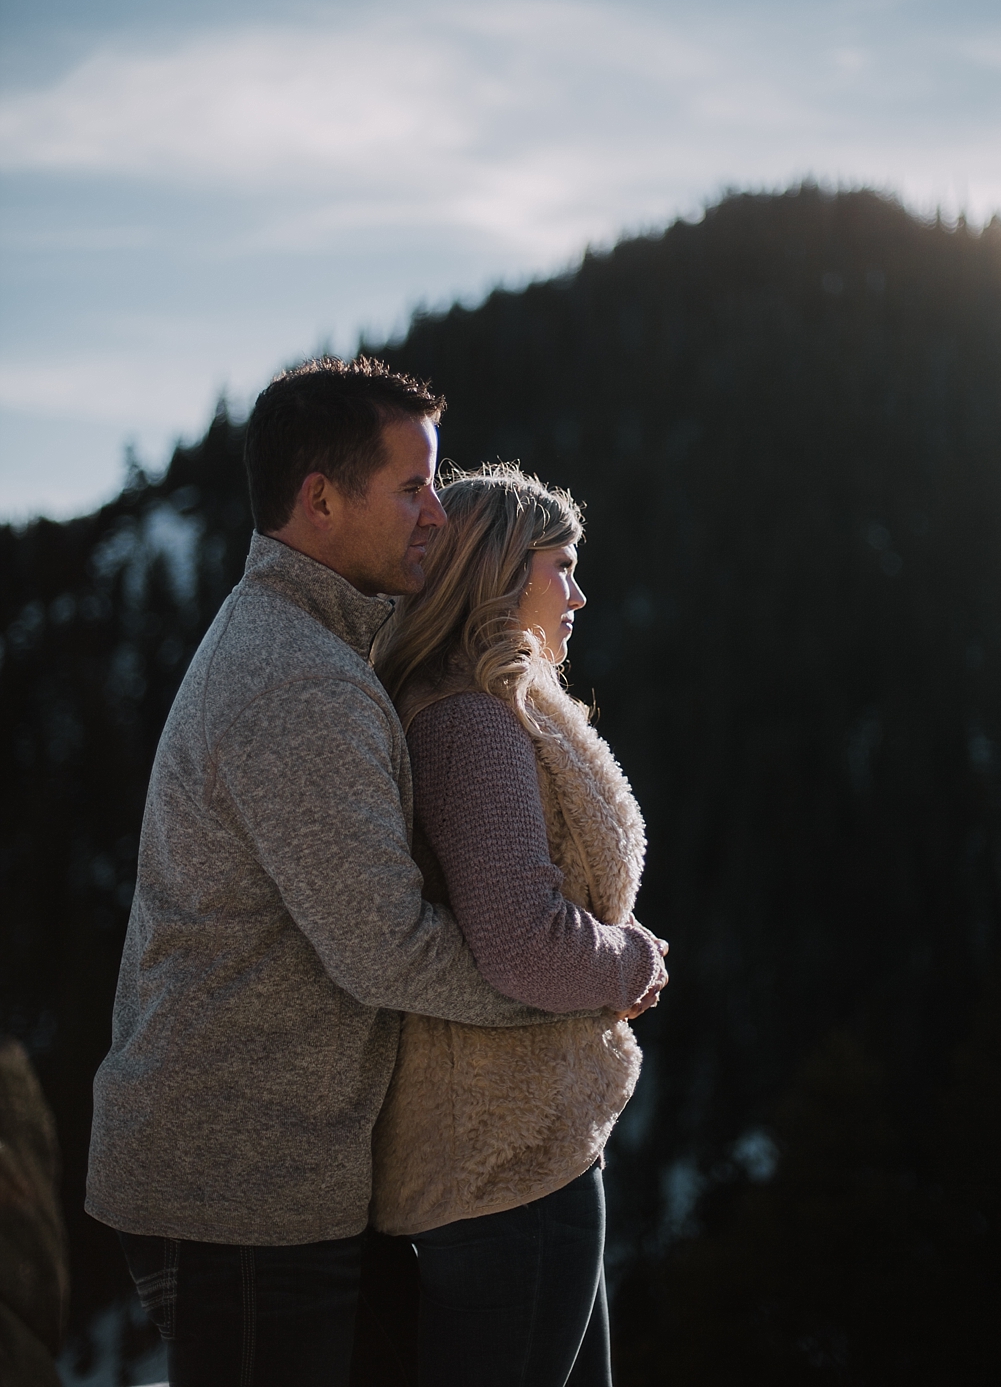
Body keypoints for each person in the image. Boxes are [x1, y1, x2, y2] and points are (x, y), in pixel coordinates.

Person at [85, 357, 663, 1387]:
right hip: (244, 1185)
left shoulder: (316, 647)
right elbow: (387, 949)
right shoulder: (296, 682)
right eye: (411, 488)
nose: (437, 517)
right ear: (319, 500)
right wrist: (582, 985)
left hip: (278, 1174)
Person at [370, 465, 669, 1387]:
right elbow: (520, 939)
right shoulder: (469, 721)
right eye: (561, 567)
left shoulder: (489, 706)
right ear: (500, 571)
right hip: (504, 1167)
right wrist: (632, 964)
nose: (578, 593)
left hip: (520, 1152)